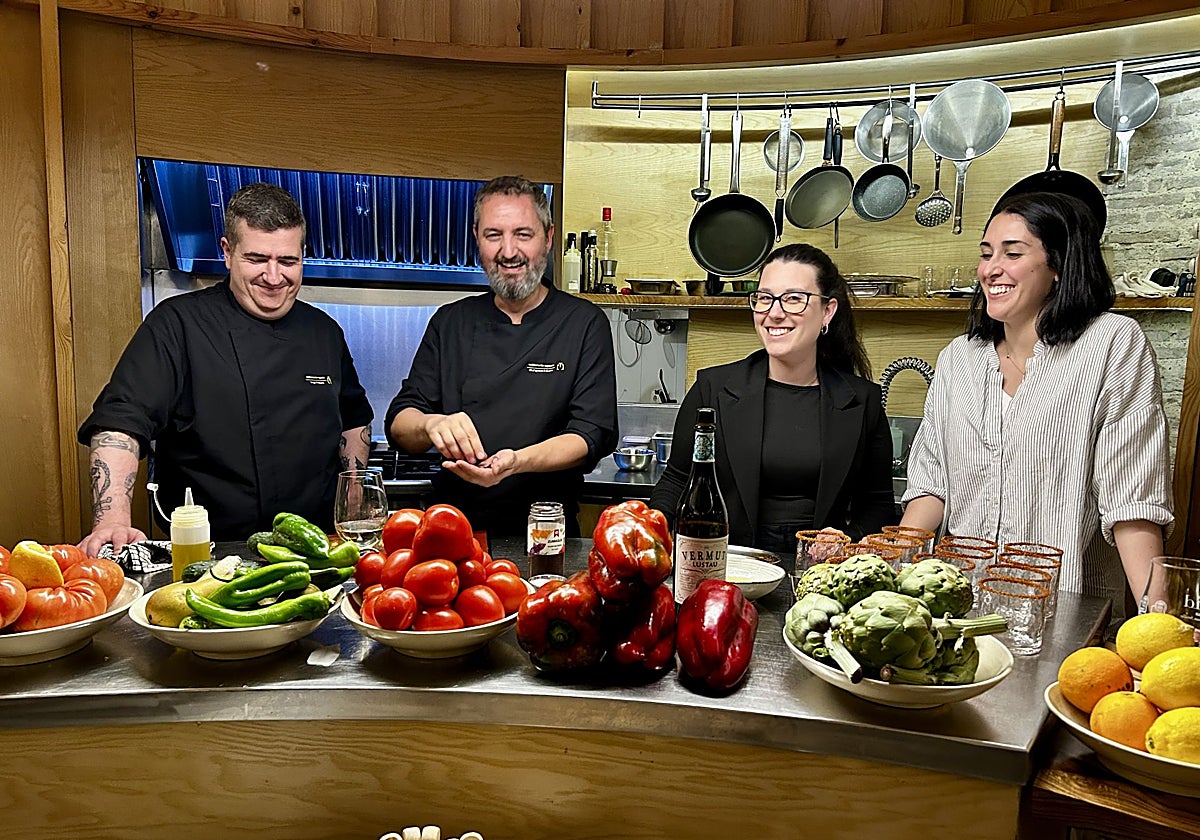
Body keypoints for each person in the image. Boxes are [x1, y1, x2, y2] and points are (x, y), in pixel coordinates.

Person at [901, 191, 1173, 632]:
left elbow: (1132, 499)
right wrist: (895, 573)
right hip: (959, 614)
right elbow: (931, 485)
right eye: (986, 254)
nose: (991, 269)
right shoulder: (958, 359)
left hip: (1063, 617)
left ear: (1059, 265)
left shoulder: (1112, 344)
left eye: (1012, 253)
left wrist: (1158, 622)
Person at [78, 182, 373, 554]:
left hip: (314, 548)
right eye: (257, 259)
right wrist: (112, 521)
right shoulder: (178, 324)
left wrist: (353, 496)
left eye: (288, 261)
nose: (274, 277)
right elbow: (121, 422)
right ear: (227, 252)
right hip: (206, 551)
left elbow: (354, 420)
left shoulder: (324, 332)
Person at [386, 175, 618, 536]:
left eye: (523, 234)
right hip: (452, 530)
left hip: (547, 530)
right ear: (476, 237)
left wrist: (516, 462)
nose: (508, 252)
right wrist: (431, 424)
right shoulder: (451, 322)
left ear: (548, 238)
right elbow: (400, 423)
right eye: (494, 235)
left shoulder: (584, 323)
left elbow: (590, 435)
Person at [650, 243, 895, 559]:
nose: (775, 313)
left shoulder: (863, 402)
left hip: (819, 573)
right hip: (726, 566)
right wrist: (651, 528)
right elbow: (677, 481)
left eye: (794, 299)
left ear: (827, 311)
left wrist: (848, 539)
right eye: (765, 298)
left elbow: (878, 505)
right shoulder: (712, 390)